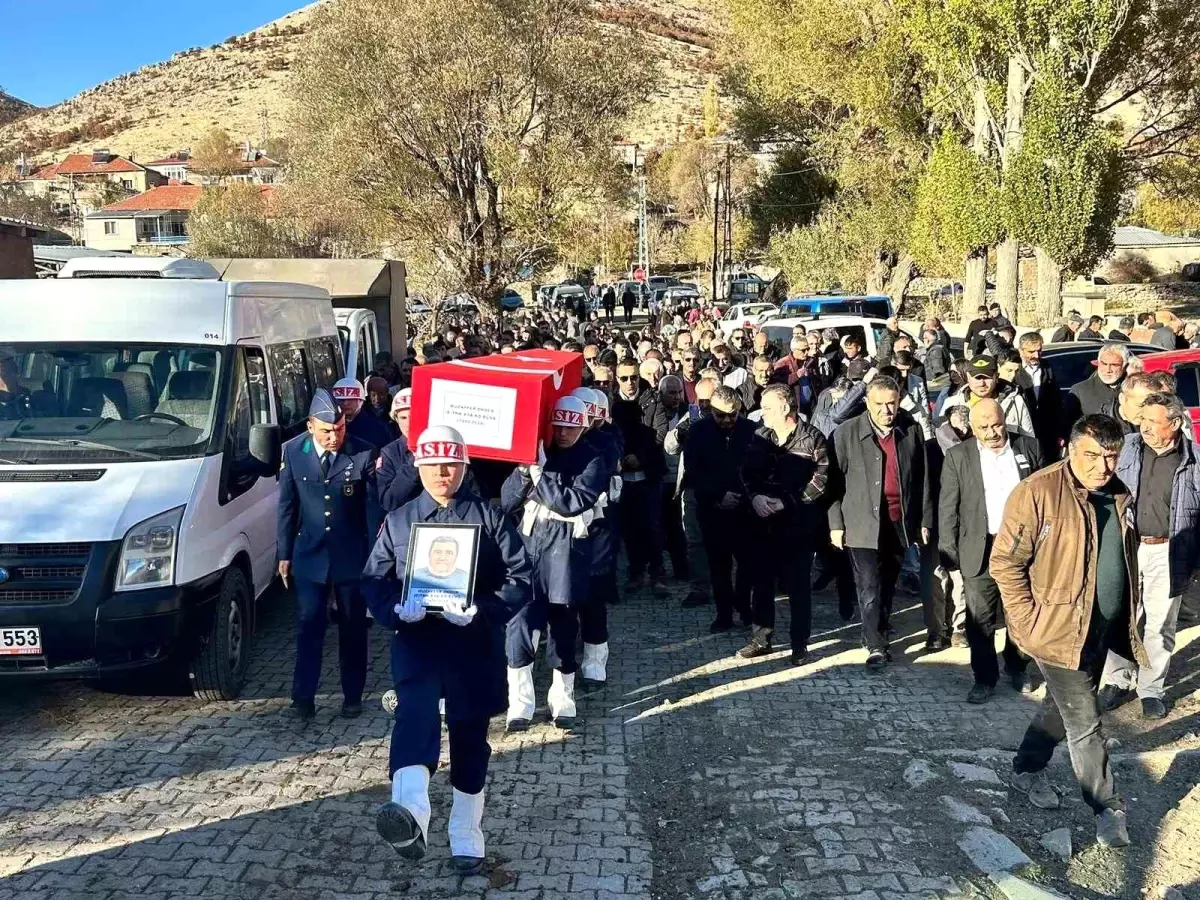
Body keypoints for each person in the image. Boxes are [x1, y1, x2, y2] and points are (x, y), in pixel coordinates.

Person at [365, 426, 531, 875]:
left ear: (464, 467)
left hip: (472, 644)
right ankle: (412, 813)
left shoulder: (490, 518)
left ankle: (465, 830)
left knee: (468, 734)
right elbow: (373, 580)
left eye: (452, 464)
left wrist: (480, 610)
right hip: (417, 641)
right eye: (433, 463)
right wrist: (397, 610)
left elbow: (521, 579)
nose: (443, 472)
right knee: (414, 716)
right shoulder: (399, 521)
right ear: (417, 466)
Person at [991, 415, 1146, 848]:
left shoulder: (1117, 494)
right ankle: (1108, 809)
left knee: (1060, 712)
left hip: (1099, 630)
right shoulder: (1037, 493)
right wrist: (1026, 623)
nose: (1102, 465)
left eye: (1111, 456)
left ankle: (1025, 770)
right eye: (1092, 455)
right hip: (1057, 631)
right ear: (1071, 449)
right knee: (1085, 723)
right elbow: (1005, 563)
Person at [501, 396, 607, 731]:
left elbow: (571, 502)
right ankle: (520, 701)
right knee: (519, 622)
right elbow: (506, 502)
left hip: (565, 547)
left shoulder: (593, 460)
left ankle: (563, 696)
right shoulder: (540, 450)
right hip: (528, 545)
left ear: (583, 425)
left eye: (570, 426)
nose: (563, 433)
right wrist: (522, 469)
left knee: (562, 621)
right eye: (558, 425)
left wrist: (540, 475)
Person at [276, 389, 380, 720]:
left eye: (339, 428)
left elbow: (371, 511)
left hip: (351, 556)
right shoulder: (294, 452)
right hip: (310, 554)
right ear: (310, 427)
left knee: (352, 628)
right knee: (310, 627)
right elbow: (287, 506)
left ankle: (352, 695)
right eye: (326, 430)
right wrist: (284, 553)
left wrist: (376, 559)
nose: (334, 436)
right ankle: (302, 698)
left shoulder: (362, 453)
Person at [1099, 393, 1200, 719]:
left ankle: (1151, 689)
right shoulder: (1126, 448)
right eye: (1143, 421)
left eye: (1153, 423)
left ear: (1174, 423)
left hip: (1168, 551)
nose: (1146, 428)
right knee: (1120, 615)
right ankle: (1117, 680)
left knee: (1159, 624)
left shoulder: (1195, 460)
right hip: (1127, 546)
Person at [938, 400, 1043, 703]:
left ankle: (1017, 666)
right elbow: (948, 507)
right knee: (979, 618)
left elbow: (1045, 498)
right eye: (983, 427)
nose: (992, 432)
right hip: (979, 547)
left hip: (1021, 548)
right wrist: (949, 552)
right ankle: (984, 677)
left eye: (996, 424)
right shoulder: (959, 457)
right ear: (972, 427)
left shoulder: (1029, 448)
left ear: (1004, 420)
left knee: (1019, 614)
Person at [828, 375, 932, 669]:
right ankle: (876, 646)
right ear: (866, 403)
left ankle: (877, 628)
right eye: (880, 405)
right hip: (861, 522)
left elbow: (921, 478)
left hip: (898, 521)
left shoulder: (910, 431)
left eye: (892, 403)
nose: (887, 410)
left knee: (887, 583)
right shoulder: (846, 434)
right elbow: (832, 485)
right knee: (868, 584)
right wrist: (836, 524)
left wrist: (922, 520)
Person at [740, 384, 830, 664]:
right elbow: (744, 472)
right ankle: (761, 638)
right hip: (761, 523)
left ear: (785, 408)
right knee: (761, 582)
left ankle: (799, 644)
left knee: (798, 587)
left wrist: (789, 502)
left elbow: (822, 480)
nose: (762, 413)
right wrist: (754, 497)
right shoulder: (758, 437)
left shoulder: (813, 438)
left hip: (797, 525)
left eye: (767, 408)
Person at [682, 385, 758, 631]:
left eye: (732, 415)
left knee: (748, 563)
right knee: (719, 565)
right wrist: (717, 495)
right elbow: (694, 471)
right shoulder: (698, 431)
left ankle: (744, 605)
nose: (727, 420)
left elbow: (759, 469)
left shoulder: (751, 431)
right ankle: (724, 613)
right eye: (721, 415)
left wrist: (745, 496)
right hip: (712, 508)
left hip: (745, 509)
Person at [613, 360, 667, 593]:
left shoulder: (652, 399)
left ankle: (657, 572)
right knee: (630, 529)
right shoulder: (612, 402)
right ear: (617, 379)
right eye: (624, 378)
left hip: (648, 475)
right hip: (623, 479)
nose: (630, 382)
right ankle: (635, 572)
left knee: (652, 527)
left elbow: (659, 433)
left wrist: (640, 457)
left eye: (633, 377)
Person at [940, 355, 1035, 438]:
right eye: (977, 378)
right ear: (968, 377)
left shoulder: (1015, 401)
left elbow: (1028, 437)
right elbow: (943, 439)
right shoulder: (952, 403)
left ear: (996, 377)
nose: (982, 383)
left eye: (987, 377)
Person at [1010, 332, 1063, 462]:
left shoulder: (1047, 369)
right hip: (1021, 431)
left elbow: (1056, 403)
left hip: (1046, 433)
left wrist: (1059, 432)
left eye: (1039, 351)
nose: (1036, 355)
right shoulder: (1013, 370)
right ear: (1021, 351)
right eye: (1031, 352)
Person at [1064, 342, 1129, 423]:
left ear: (1124, 366)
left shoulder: (1132, 390)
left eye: (1114, 365)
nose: (1108, 370)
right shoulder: (1080, 391)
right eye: (1104, 364)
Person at [332, 376, 394, 449]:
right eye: (342, 400)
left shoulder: (378, 428)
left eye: (351, 399)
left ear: (361, 401)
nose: (346, 403)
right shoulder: (327, 426)